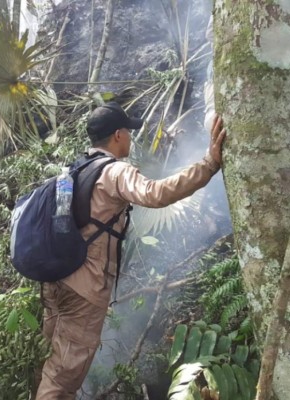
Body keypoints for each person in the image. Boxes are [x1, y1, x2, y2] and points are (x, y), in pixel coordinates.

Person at [36, 102, 226, 399]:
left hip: (55, 280)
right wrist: (208, 165)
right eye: (128, 131)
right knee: (62, 378)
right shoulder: (113, 171)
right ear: (118, 135)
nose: (130, 137)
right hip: (83, 287)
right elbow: (156, 193)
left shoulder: (76, 169)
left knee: (54, 363)